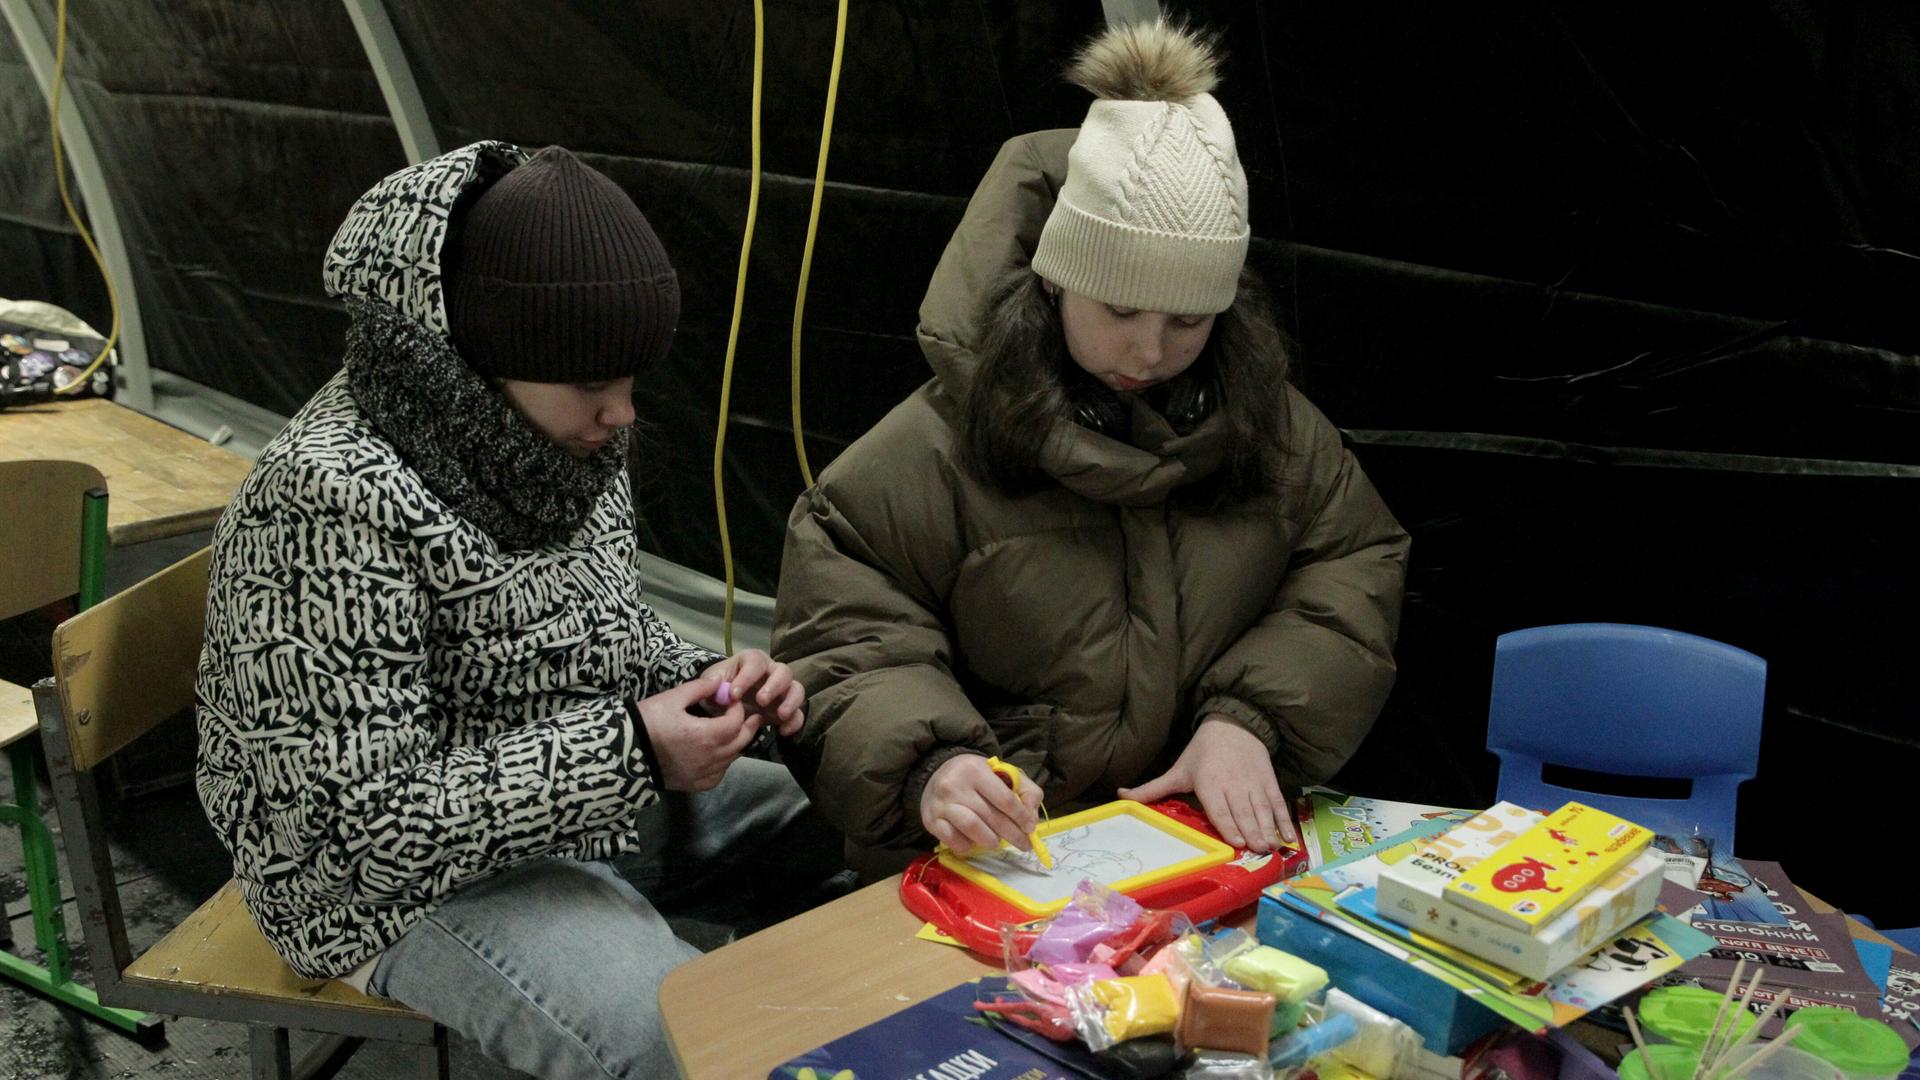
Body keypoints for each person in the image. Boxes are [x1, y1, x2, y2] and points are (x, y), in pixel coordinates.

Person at [197, 142, 839, 1078]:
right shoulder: (326, 499)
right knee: (675, 1036)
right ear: (479, 362)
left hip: (577, 797)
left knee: (858, 826)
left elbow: (605, 627)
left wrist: (706, 683)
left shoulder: (556, 439)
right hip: (392, 889)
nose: (623, 414)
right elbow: (355, 833)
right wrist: (633, 752)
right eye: (593, 385)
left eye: (631, 379)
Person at [772, 20, 1411, 878]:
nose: (1149, 352)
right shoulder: (929, 450)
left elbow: (1353, 560)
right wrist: (934, 766)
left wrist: (1248, 720)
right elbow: (847, 630)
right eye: (1118, 309)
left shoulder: (1275, 430)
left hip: (1193, 850)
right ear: (1053, 279)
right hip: (988, 863)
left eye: (1189, 320)